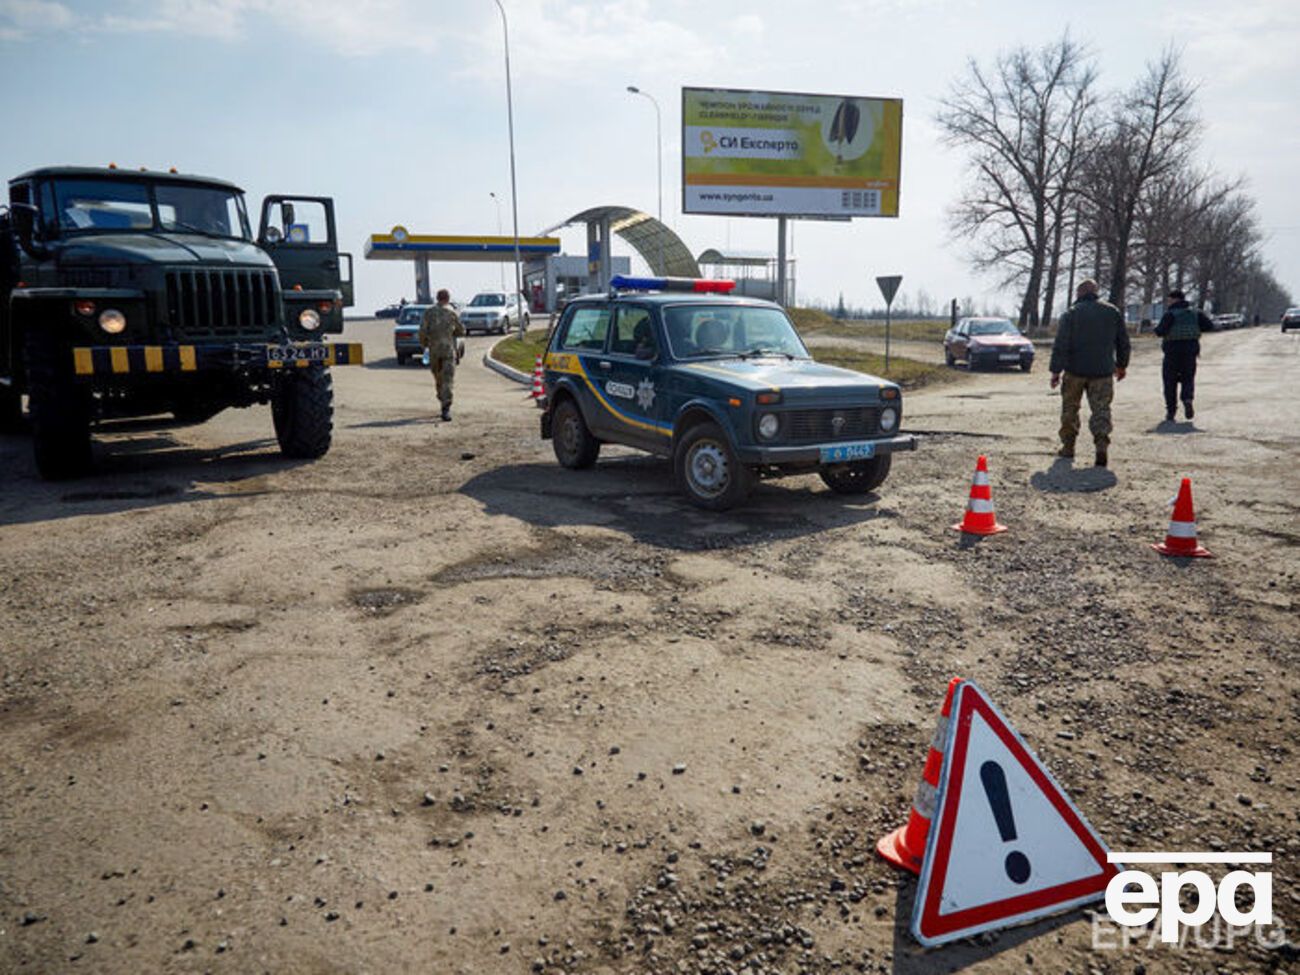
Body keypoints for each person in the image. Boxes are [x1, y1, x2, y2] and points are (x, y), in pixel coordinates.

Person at [1049, 279, 1131, 468]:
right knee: (1101, 410)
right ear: (1095, 292)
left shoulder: (1071, 314)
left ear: (1078, 293)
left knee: (1070, 409)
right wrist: (1122, 365)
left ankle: (1068, 447)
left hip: (1074, 371)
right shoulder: (1112, 312)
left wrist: (1055, 370)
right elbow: (1123, 341)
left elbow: (1061, 344)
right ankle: (1101, 446)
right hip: (1102, 371)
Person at [1153, 288, 1211, 423]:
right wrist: (1194, 328)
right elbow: (1209, 326)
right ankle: (1187, 399)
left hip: (1172, 352)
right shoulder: (1196, 313)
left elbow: (1160, 331)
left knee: (1169, 382)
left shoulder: (1170, 314)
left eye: (1169, 299)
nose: (1168, 302)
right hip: (1191, 351)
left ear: (1174, 299)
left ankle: (1171, 411)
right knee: (1188, 378)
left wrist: (1156, 329)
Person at [419, 288, 465, 421]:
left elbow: (422, 331)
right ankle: (445, 406)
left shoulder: (428, 313)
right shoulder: (452, 313)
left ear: (437, 298)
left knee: (439, 377)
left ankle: (443, 401)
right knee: (447, 380)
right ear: (448, 299)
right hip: (448, 351)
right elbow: (461, 330)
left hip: (434, 351)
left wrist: (425, 345)